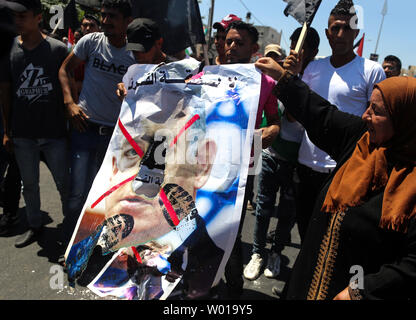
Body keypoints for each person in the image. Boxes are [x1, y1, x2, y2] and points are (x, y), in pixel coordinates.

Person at [256, 44, 416, 299]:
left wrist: (359, 291)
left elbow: (412, 264)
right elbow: (321, 114)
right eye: (368, 106)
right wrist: (284, 79)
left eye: (377, 111)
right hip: (304, 285)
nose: (365, 115)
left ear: (404, 120)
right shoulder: (359, 140)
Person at [65, 88, 224, 299]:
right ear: (113, 168)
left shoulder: (205, 267)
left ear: (202, 165)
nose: (141, 179)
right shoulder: (89, 249)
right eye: (132, 152)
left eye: (162, 155)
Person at [295, 0, 385, 242]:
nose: (340, 34)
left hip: (345, 169)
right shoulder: (312, 68)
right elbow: (295, 115)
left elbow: (375, 125)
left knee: (335, 240)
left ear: (357, 33)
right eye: (335, 28)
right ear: (327, 33)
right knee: (306, 234)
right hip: (305, 166)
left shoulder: (371, 71)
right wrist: (291, 77)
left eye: (347, 28)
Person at [58, 0, 136, 251]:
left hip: (115, 136)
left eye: (112, 16)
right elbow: (64, 69)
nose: (105, 21)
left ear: (127, 22)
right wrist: (70, 103)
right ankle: (72, 245)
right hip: (84, 128)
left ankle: (96, 246)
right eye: (103, 16)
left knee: (106, 195)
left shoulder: (136, 52)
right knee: (77, 193)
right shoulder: (90, 42)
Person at [243, 27, 319, 282]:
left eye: (304, 47)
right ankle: (257, 253)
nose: (297, 51)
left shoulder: (316, 79)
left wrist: (294, 79)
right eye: (294, 44)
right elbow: (275, 112)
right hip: (272, 155)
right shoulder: (279, 76)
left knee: (286, 214)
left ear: (314, 52)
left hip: (296, 161)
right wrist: (285, 77)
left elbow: (294, 114)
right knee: (263, 208)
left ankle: (276, 253)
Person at [1, 0, 70, 248]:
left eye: (23, 16)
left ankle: (71, 229)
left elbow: (69, 88)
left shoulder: (57, 49)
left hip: (54, 133)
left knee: (65, 184)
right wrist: (7, 131)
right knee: (29, 185)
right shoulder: (10, 50)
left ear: (38, 17)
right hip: (23, 134)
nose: (17, 21)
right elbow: (6, 91)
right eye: (14, 17)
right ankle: (34, 225)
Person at [221, 20, 281, 299]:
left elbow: (275, 123)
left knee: (231, 234)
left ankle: (233, 291)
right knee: (199, 226)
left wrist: (270, 131)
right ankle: (198, 283)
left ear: (254, 49)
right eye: (228, 41)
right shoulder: (208, 74)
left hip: (242, 168)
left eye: (239, 43)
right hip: (205, 165)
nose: (231, 47)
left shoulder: (265, 82)